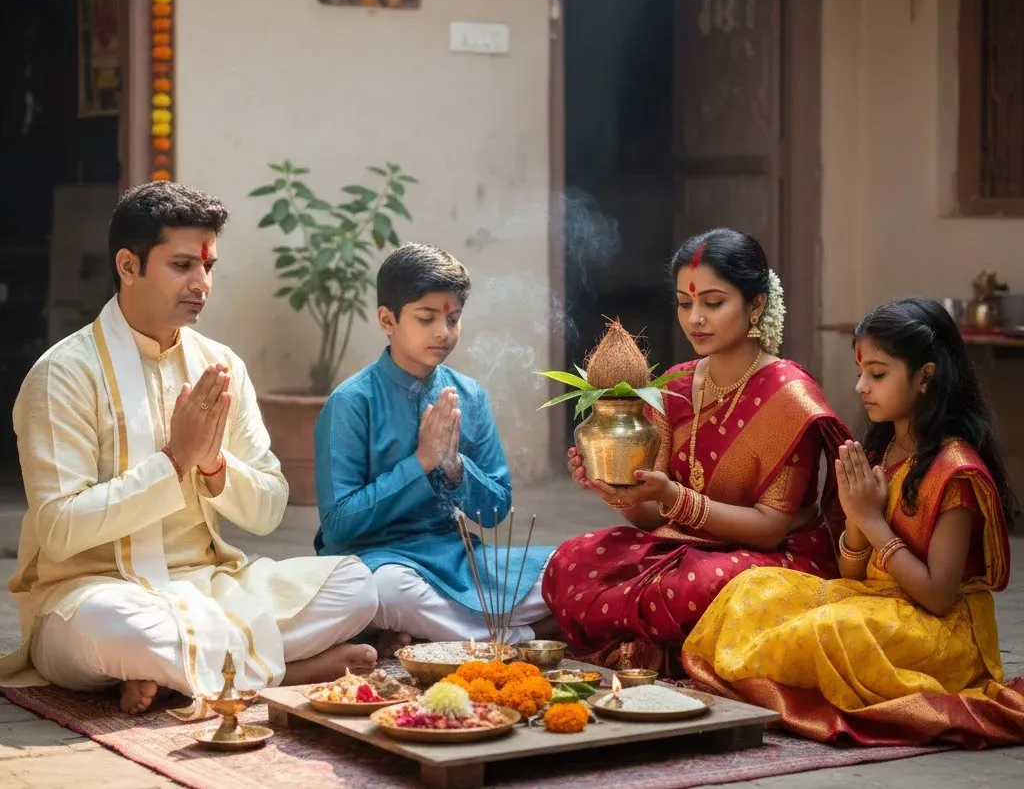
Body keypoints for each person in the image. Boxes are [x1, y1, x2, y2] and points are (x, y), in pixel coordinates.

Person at [0, 182, 378, 717]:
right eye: (182, 265)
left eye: (209, 267)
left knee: (357, 585)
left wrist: (212, 464)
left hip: (208, 585)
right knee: (119, 634)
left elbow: (269, 509)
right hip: (93, 593)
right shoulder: (63, 374)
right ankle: (284, 670)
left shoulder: (219, 366)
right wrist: (173, 462)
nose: (201, 284)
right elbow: (59, 530)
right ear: (129, 266)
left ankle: (184, 674)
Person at [683, 298, 1024, 747]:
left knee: (832, 629)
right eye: (861, 372)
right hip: (878, 600)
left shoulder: (954, 471)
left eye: (878, 374)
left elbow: (940, 597)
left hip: (940, 632)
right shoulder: (884, 449)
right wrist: (857, 524)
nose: (862, 386)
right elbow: (853, 574)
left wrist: (869, 519)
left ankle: (773, 689)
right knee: (753, 586)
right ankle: (761, 684)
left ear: (925, 376)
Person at [542, 228, 852, 673]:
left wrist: (673, 498)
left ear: (756, 305)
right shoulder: (680, 383)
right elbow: (654, 519)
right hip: (687, 545)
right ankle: (661, 645)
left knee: (694, 587)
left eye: (713, 302)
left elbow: (769, 528)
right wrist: (620, 492)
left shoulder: (789, 395)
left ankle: (654, 647)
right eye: (685, 304)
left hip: (774, 556)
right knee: (572, 560)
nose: (695, 320)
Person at [314, 243, 554, 654]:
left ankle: (452, 634)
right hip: (379, 559)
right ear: (387, 320)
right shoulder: (352, 401)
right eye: (426, 318)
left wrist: (455, 465)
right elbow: (338, 524)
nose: (443, 332)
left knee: (563, 568)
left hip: (454, 556)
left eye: (454, 318)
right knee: (387, 593)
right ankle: (527, 637)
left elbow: (496, 510)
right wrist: (422, 462)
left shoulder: (468, 396)